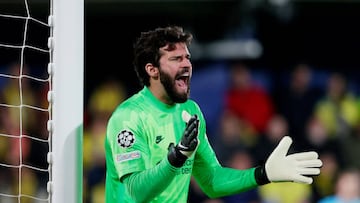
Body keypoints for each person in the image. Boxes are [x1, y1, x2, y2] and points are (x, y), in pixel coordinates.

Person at [104, 25, 323, 203]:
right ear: (152, 70)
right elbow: (136, 192)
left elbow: (211, 181)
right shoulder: (129, 117)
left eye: (187, 57)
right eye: (176, 59)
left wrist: (262, 174)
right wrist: (177, 158)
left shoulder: (190, 111)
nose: (187, 65)